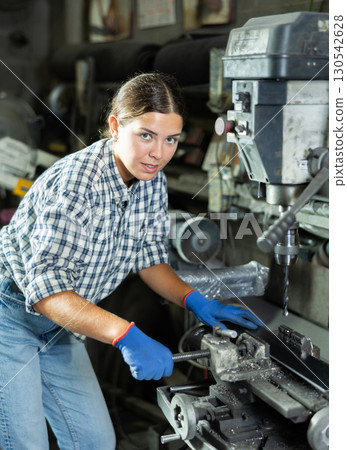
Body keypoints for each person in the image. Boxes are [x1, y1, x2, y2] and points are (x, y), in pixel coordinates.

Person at [0, 72, 262, 449]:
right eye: (146, 135)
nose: (159, 152)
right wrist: (125, 335)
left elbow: (148, 257)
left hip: (59, 326)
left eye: (171, 139)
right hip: (11, 316)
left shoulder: (150, 180)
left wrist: (196, 300)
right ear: (114, 127)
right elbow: (48, 293)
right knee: (26, 443)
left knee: (95, 442)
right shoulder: (78, 185)